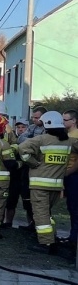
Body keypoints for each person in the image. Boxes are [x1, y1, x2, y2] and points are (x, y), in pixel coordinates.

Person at [19, 110, 78, 253]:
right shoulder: (69, 141)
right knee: (46, 214)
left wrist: (33, 163)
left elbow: (22, 149)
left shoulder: (41, 139)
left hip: (40, 185)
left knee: (41, 214)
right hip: (56, 186)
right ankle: (51, 237)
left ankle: (46, 243)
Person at [63, 108, 78, 255]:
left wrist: (67, 173)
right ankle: (72, 237)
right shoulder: (68, 135)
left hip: (73, 176)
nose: (63, 122)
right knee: (71, 207)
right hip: (69, 176)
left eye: (65, 120)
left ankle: (74, 240)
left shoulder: (76, 136)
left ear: (73, 121)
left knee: (75, 207)